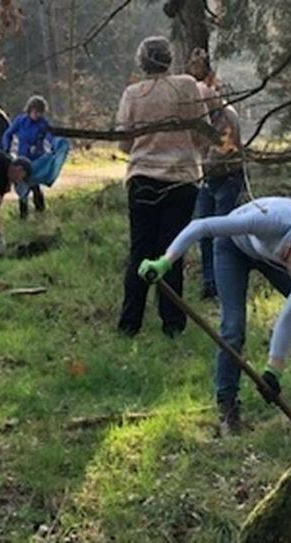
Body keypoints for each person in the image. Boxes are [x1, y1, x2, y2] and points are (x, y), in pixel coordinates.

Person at [138, 197, 291, 435]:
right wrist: (165, 262)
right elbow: (201, 226)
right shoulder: (270, 222)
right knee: (233, 327)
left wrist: (274, 370)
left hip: (272, 257)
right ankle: (227, 406)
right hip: (233, 247)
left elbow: (290, 314)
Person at [115, 36, 210, 339]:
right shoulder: (186, 86)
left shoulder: (133, 94)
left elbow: (124, 142)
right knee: (172, 253)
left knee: (140, 251)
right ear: (170, 59)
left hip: (142, 177)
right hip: (182, 179)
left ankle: (129, 324)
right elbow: (203, 134)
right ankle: (172, 325)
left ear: (141, 62)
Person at [189, 52, 246, 300]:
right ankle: (209, 283)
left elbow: (222, 152)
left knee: (222, 235)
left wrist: (197, 163)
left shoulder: (227, 116)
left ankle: (223, 283)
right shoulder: (202, 118)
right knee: (204, 233)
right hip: (207, 182)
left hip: (227, 179)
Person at [1, 95, 70, 219]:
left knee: (34, 185)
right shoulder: (20, 121)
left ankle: (40, 212)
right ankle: (23, 215)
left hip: (37, 160)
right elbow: (8, 134)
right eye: (35, 111)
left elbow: (50, 137)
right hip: (22, 159)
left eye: (40, 112)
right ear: (30, 110)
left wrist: (56, 147)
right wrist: (6, 149)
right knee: (22, 187)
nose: (37, 115)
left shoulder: (43, 123)